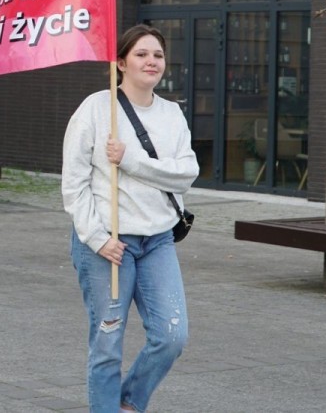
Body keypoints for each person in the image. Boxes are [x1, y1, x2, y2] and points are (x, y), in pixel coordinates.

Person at [61, 24, 199, 413]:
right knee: (107, 343)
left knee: (172, 336)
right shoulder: (94, 109)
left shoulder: (172, 114)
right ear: (120, 62)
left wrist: (132, 160)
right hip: (108, 244)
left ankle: (128, 402)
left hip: (157, 241)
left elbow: (187, 172)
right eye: (141, 54)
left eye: (157, 54)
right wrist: (96, 237)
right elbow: (73, 184)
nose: (151, 61)